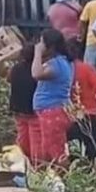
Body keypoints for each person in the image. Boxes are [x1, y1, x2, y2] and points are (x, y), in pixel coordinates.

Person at [30, 29, 74, 167]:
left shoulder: (57, 65)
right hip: (51, 111)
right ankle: (53, 178)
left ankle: (66, 179)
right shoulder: (59, 61)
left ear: (51, 46)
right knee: (49, 148)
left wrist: (37, 53)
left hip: (53, 112)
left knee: (56, 151)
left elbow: (36, 73)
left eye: (42, 43)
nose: (39, 45)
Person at [67, 39, 96, 164]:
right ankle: (92, 167)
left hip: (69, 113)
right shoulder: (85, 68)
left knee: (72, 143)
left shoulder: (60, 69)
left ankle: (74, 165)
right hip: (90, 112)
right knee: (91, 143)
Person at [8, 43, 37, 157]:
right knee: (36, 138)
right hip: (32, 109)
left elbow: (8, 79)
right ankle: (36, 164)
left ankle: (22, 159)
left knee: (22, 135)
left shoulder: (15, 68)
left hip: (18, 108)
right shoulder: (36, 70)